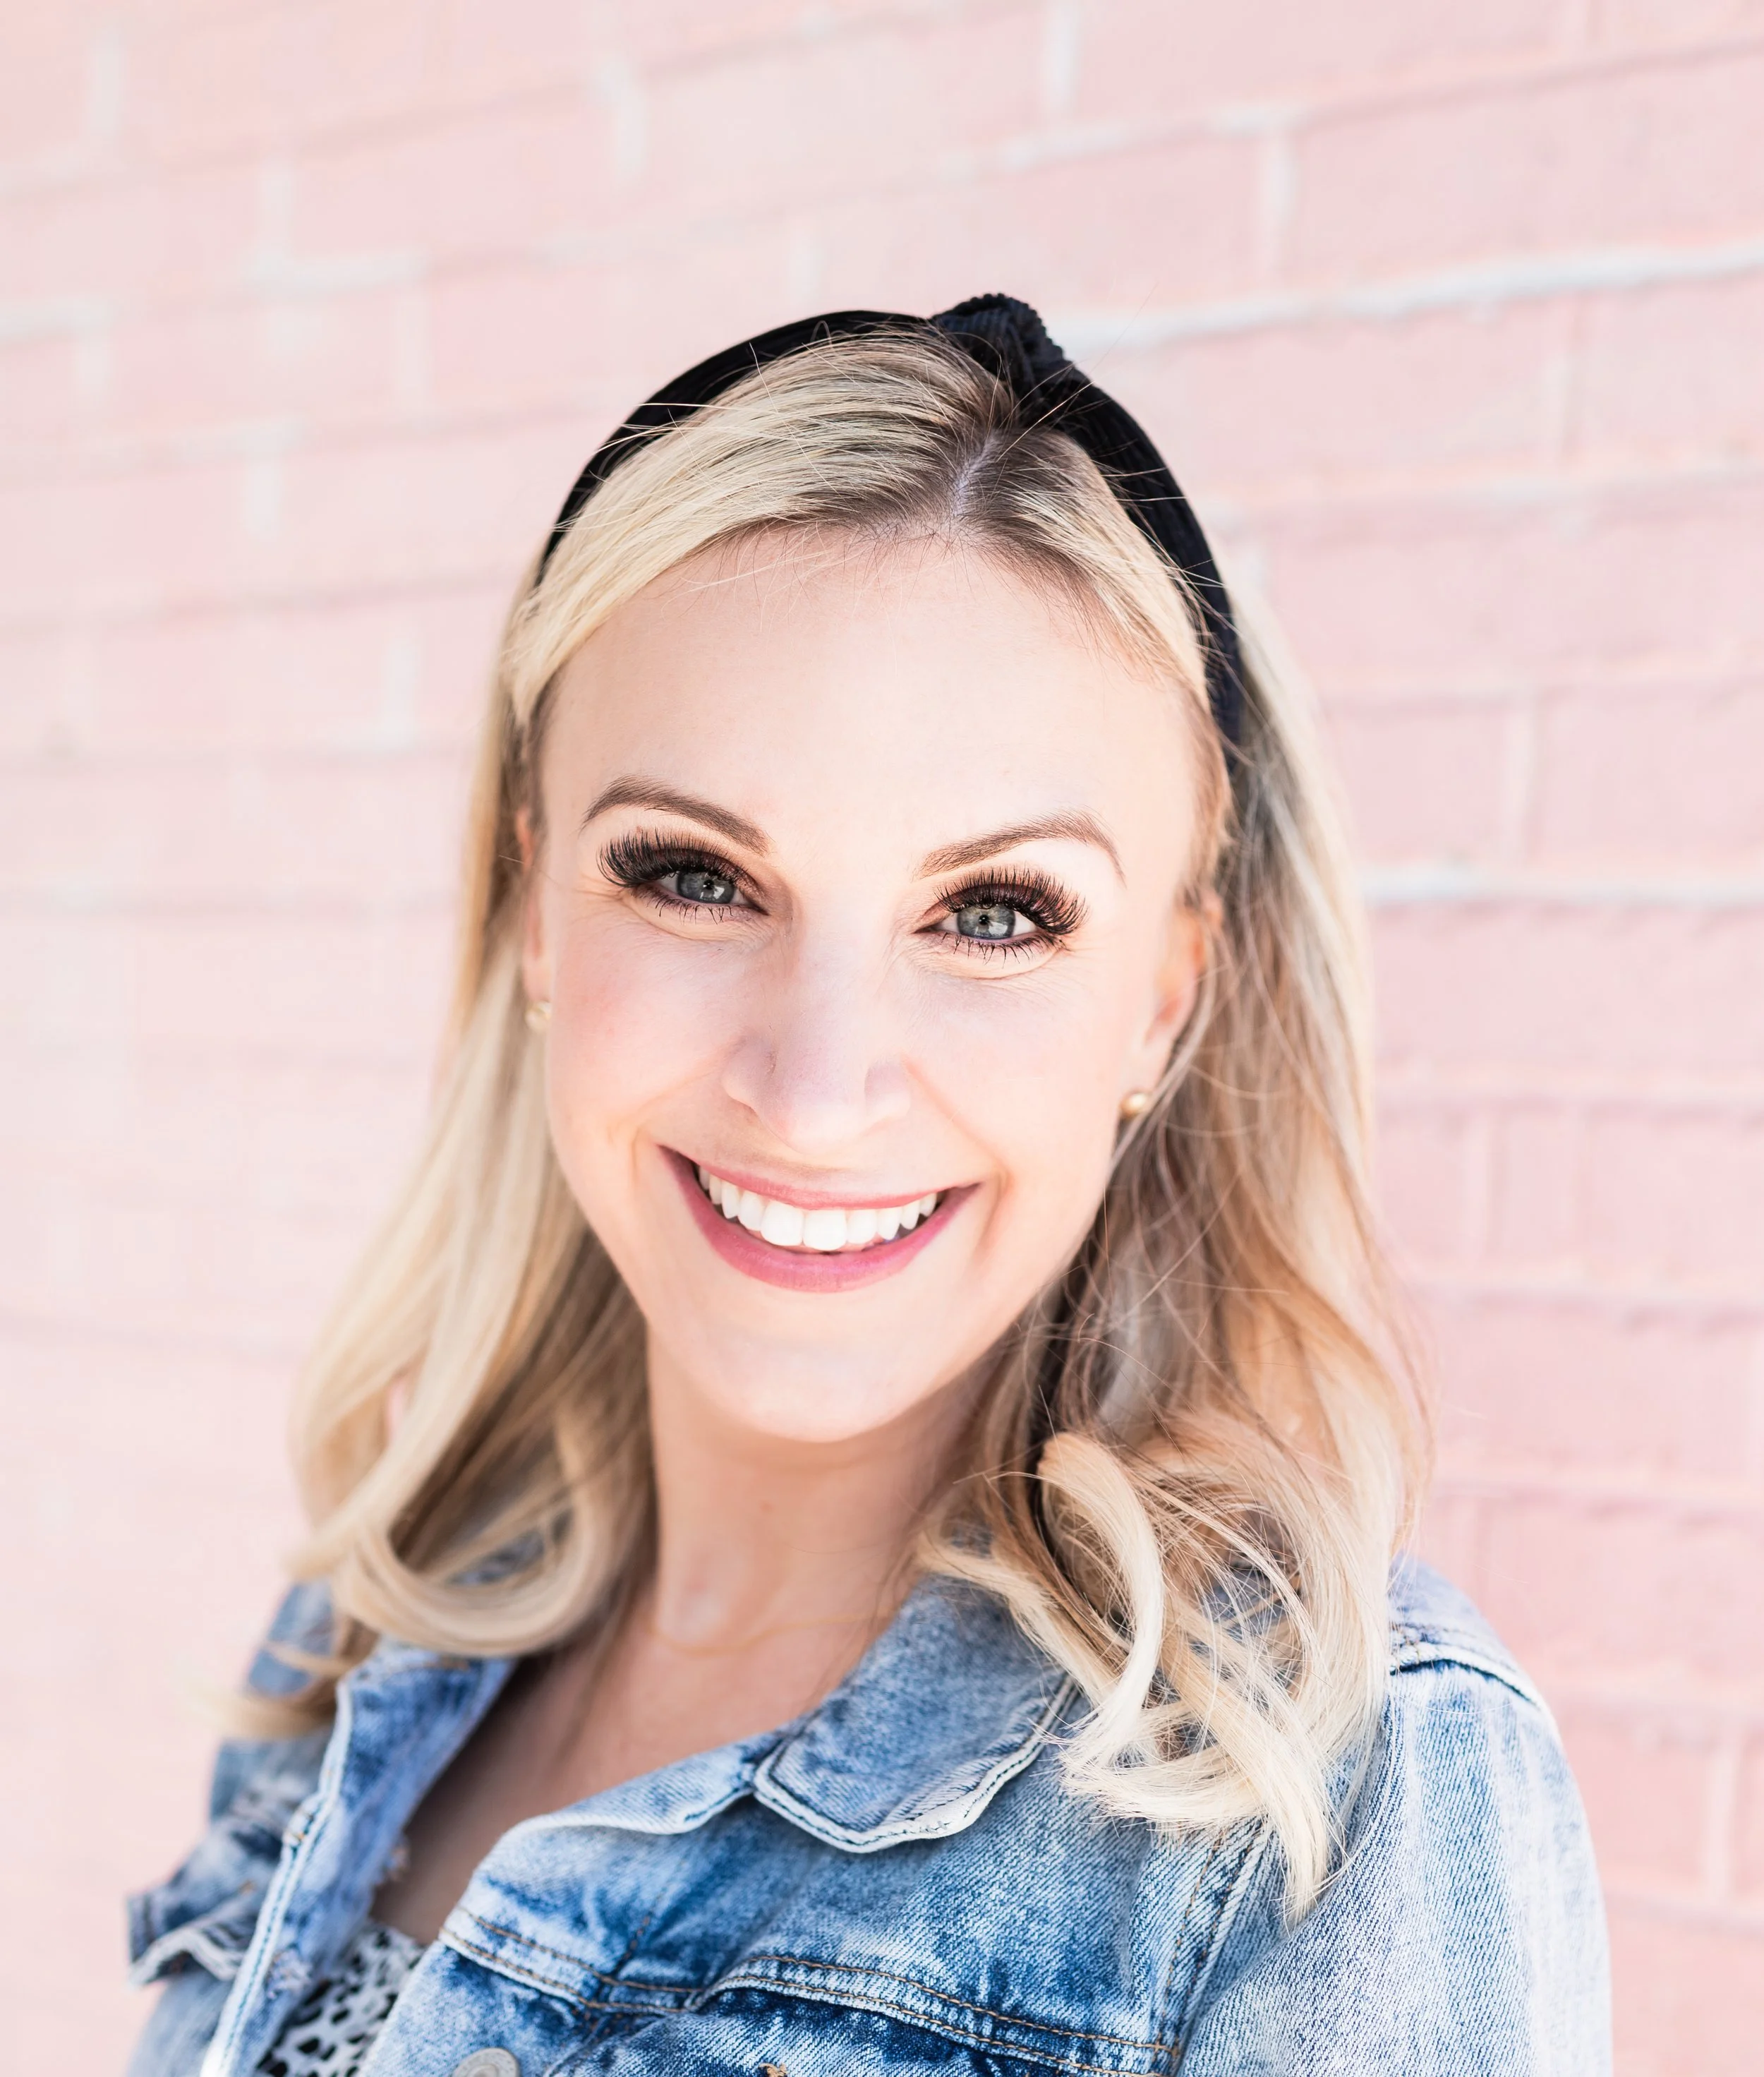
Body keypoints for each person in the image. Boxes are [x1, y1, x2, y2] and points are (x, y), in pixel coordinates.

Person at [126, 296, 1609, 2077]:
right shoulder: (376, 1624)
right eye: (691, 876)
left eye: (992, 913)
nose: (817, 1094)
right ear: (533, 910)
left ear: (1167, 994)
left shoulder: (1320, 1787)